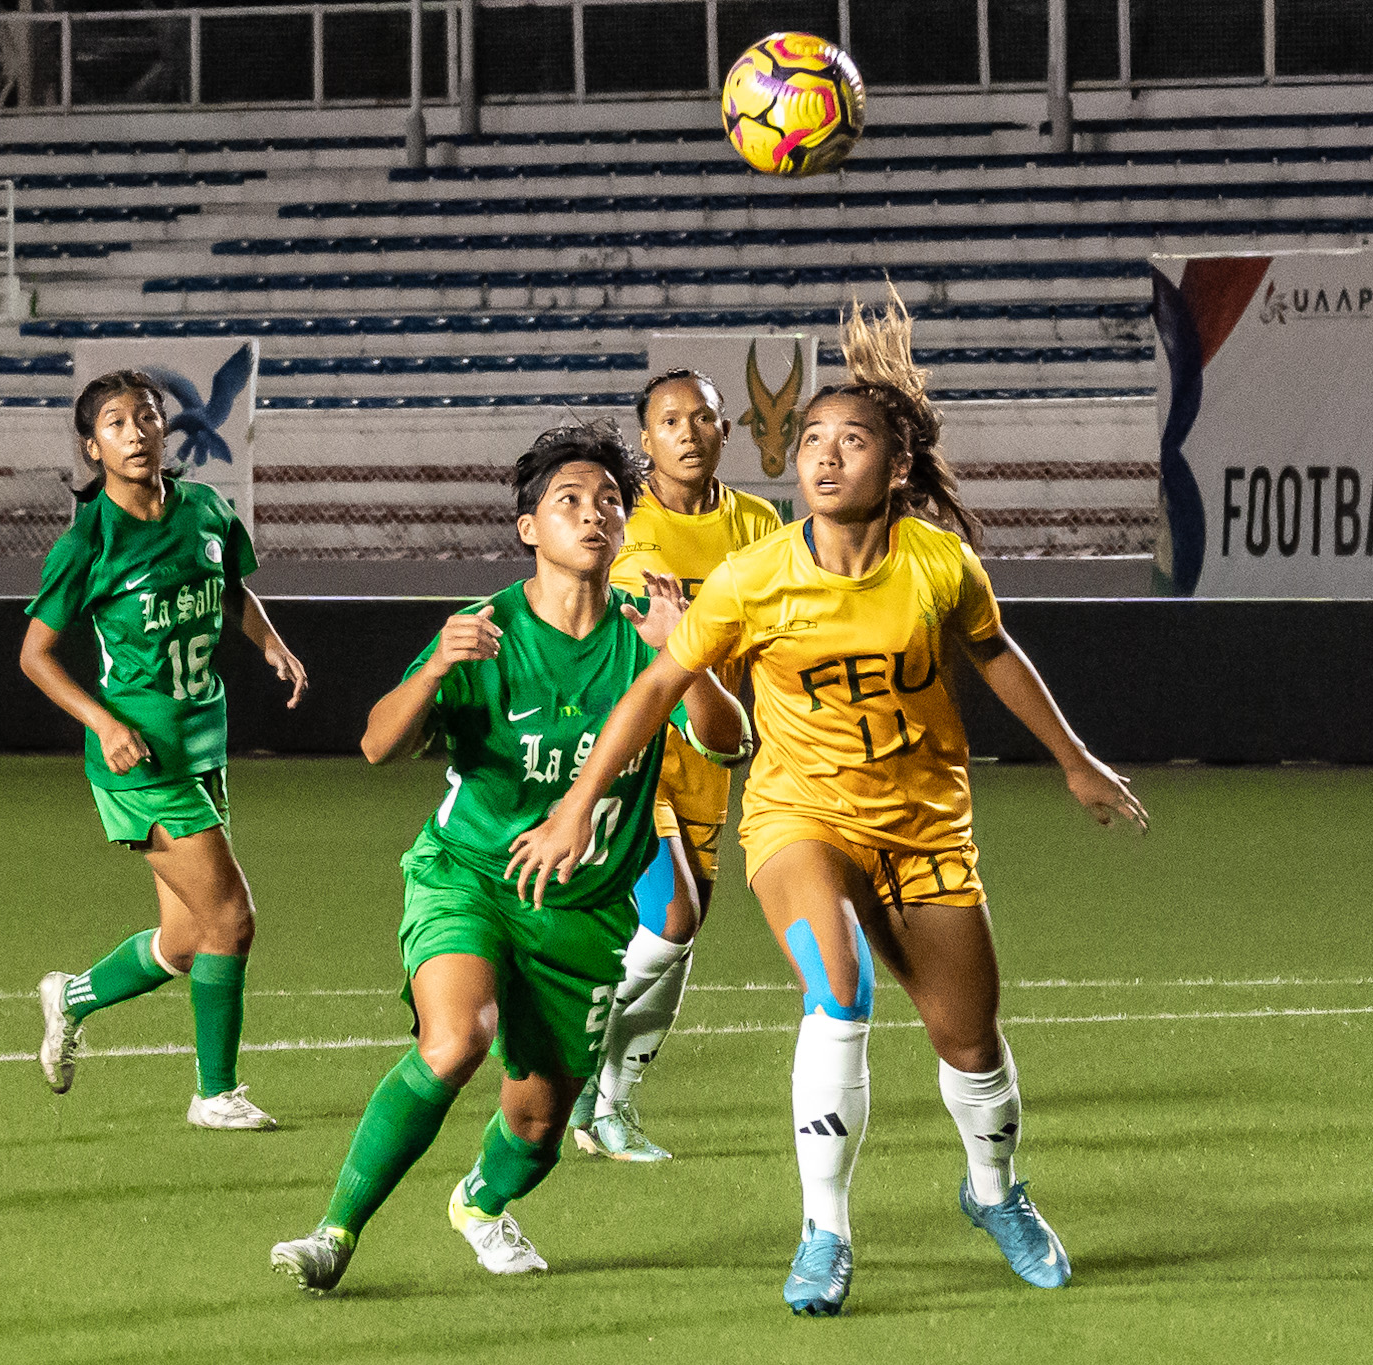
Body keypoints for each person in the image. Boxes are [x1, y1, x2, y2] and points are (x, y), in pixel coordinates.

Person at [506, 289, 1147, 1316]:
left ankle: (993, 1194)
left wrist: (1071, 758)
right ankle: (824, 1232)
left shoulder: (937, 563)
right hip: (798, 820)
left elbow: (992, 653)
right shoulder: (755, 576)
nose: (827, 455)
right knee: (836, 990)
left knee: (968, 1041)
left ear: (894, 468)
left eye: (852, 441)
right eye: (811, 440)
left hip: (926, 827)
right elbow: (656, 686)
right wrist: (581, 801)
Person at [269, 421, 750, 1296]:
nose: (593, 513)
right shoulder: (486, 629)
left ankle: (481, 1200)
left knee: (535, 1130)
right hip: (469, 877)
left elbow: (731, 743)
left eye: (609, 500)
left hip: (584, 911)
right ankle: (333, 1230)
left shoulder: (648, 632)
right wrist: (430, 671)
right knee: (458, 1038)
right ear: (529, 526)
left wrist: (694, 657)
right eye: (569, 500)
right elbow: (378, 745)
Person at [20, 370, 308, 1130]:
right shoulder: (90, 541)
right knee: (233, 919)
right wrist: (104, 723)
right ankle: (216, 1094)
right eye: (116, 423)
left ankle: (72, 996)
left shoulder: (207, 509)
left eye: (146, 416)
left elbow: (232, 590)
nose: (137, 430)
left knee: (185, 941)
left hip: (201, 742)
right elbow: (36, 655)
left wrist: (270, 643)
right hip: (138, 759)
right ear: (93, 447)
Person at [570, 368, 784, 1162]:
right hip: (633, 756)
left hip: (712, 754)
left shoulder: (761, 524)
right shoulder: (633, 525)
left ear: (729, 430)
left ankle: (608, 1105)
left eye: (703, 417)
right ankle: (568, 1058)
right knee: (673, 917)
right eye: (669, 421)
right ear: (648, 440)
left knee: (673, 949)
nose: (689, 432)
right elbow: (648, 633)